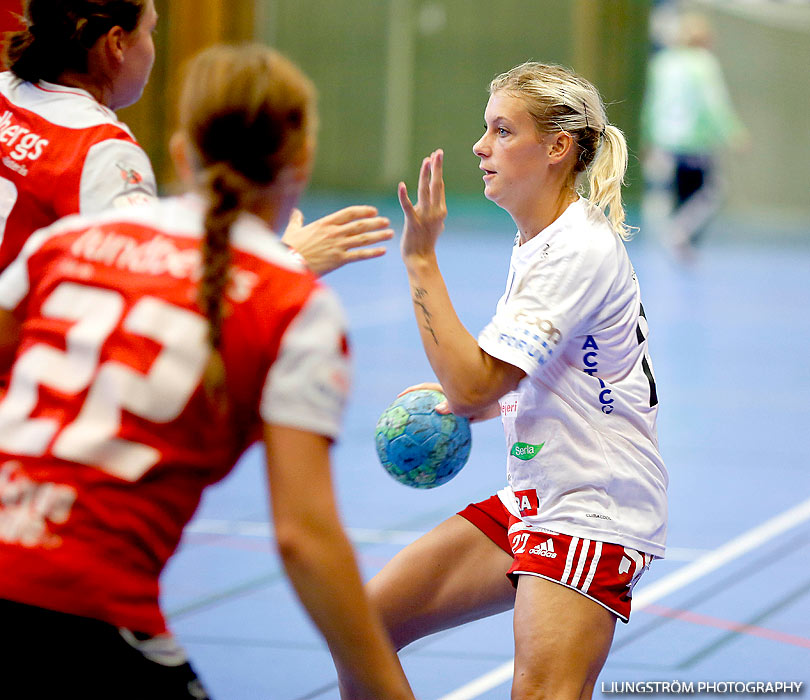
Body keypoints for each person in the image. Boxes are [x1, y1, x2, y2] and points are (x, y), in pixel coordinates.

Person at [0, 43, 414, 700]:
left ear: (181, 152)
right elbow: (305, 539)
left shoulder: (60, 244)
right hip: (85, 603)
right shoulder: (291, 305)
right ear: (300, 164)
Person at [341, 62, 669, 700]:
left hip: (590, 504)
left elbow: (474, 386)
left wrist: (419, 258)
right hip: (538, 491)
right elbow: (502, 384)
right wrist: (463, 401)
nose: (479, 146)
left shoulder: (576, 250)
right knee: (364, 625)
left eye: (501, 130)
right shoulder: (540, 242)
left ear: (556, 147)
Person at [0, 0, 393, 274]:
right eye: (151, 30)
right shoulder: (102, 153)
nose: (153, 47)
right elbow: (149, 298)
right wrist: (288, 259)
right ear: (117, 43)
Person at [641, 11, 747, 260]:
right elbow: (714, 104)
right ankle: (679, 233)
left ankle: (680, 240)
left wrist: (647, 137)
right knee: (712, 191)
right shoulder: (703, 64)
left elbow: (651, 103)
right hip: (694, 141)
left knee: (678, 191)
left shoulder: (662, 63)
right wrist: (734, 134)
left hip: (664, 140)